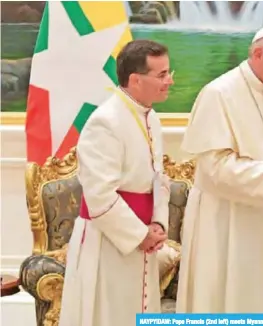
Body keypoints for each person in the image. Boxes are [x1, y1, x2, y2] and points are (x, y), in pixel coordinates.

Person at [175, 25, 263, 313]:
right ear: (257, 54)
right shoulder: (218, 93)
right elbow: (213, 167)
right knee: (230, 300)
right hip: (228, 221)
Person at [59, 39, 175, 326]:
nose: (169, 81)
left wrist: (158, 223)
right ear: (135, 80)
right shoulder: (106, 122)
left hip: (142, 236)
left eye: (169, 72)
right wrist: (139, 234)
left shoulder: (152, 118)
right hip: (109, 241)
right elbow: (99, 195)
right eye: (161, 75)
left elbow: (159, 178)